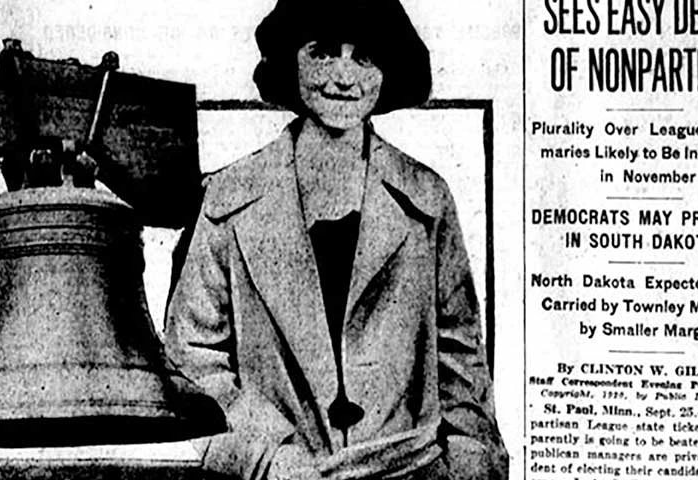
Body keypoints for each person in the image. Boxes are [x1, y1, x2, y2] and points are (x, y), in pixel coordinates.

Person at [165, 0, 508, 479]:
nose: (344, 77)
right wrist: (269, 460)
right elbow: (191, 360)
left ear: (388, 71)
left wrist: (471, 463)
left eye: (364, 57)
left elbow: (461, 362)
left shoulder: (428, 199)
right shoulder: (230, 198)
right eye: (323, 52)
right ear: (290, 60)